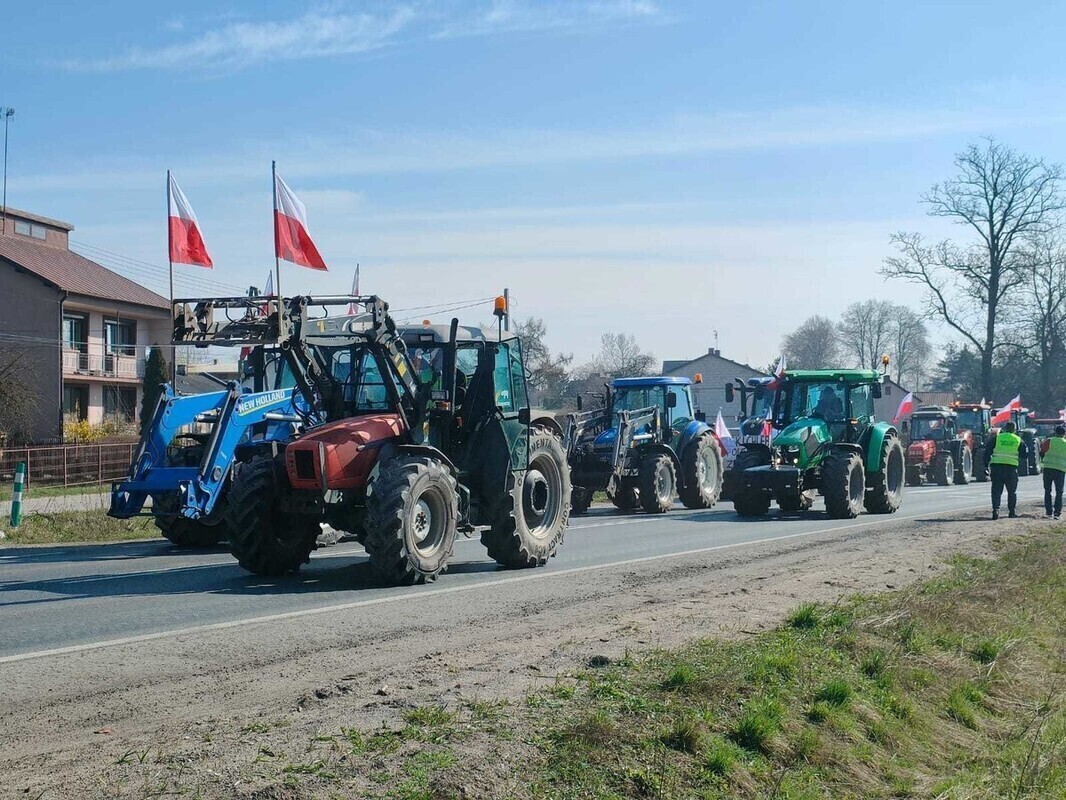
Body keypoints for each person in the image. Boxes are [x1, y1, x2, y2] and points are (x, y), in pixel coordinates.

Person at [985, 420, 1028, 520]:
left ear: (1005, 428)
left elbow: (987, 451)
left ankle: (996, 510)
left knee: (996, 491)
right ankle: (1011, 512)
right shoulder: (1018, 440)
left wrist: (986, 465)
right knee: (1012, 492)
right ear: (1014, 429)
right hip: (1011, 469)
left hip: (997, 467)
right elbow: (1024, 455)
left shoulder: (997, 438)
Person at [1039, 424, 1066, 519]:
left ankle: (1048, 512)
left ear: (1055, 432)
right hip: (1060, 470)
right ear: (1064, 434)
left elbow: (1042, 452)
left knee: (1047, 491)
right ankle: (1057, 513)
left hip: (1048, 468)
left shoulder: (1049, 441)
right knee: (1059, 492)